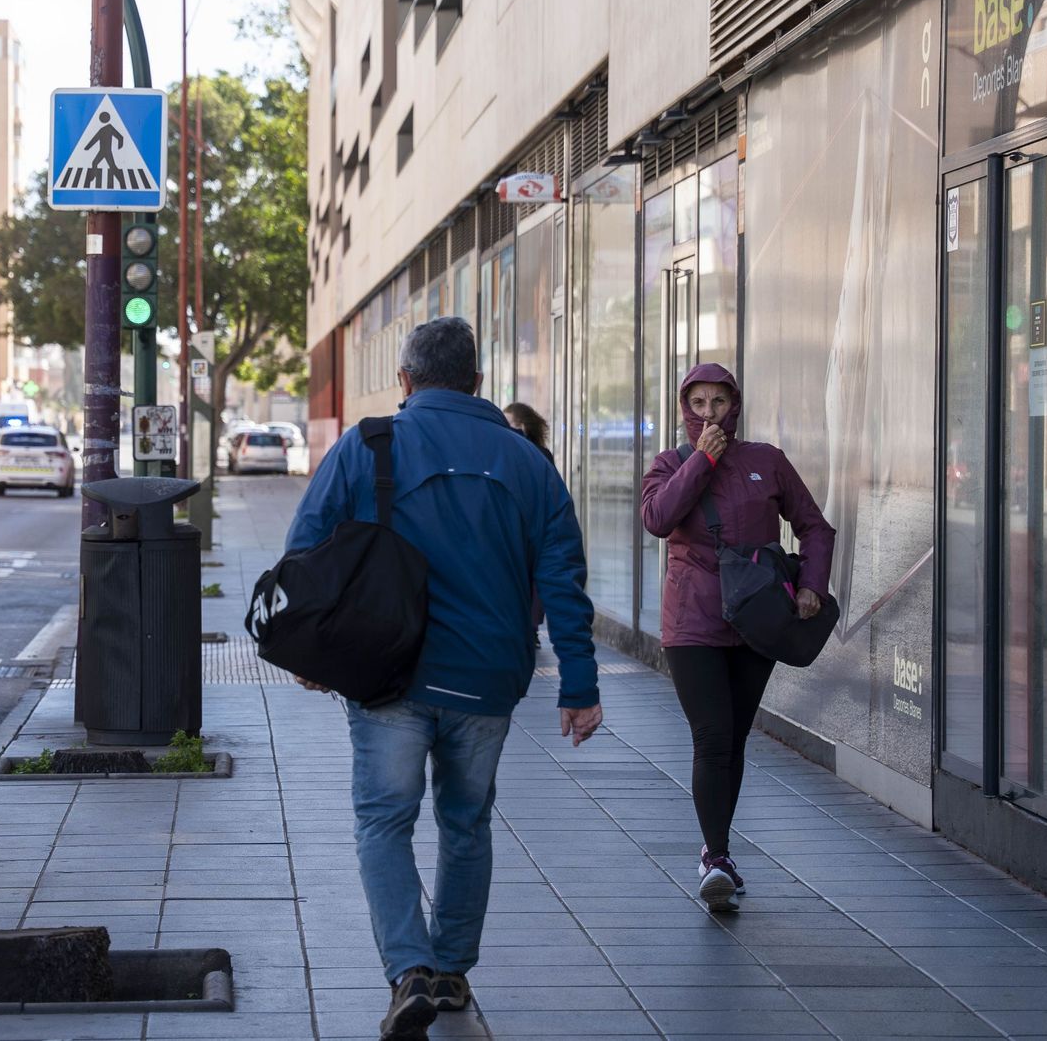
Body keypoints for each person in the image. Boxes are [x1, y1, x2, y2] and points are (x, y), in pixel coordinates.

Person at [288, 317, 603, 1041]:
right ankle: (453, 971)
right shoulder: (527, 461)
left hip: (386, 674)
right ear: (478, 382)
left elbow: (305, 550)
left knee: (383, 821)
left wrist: (311, 653)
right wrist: (579, 686)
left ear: (404, 379)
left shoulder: (368, 445)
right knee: (466, 821)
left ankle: (409, 971)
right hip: (487, 678)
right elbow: (564, 577)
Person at [640, 362, 835, 913]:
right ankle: (717, 857)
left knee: (735, 739)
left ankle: (716, 851)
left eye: (719, 402)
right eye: (698, 403)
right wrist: (702, 460)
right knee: (711, 736)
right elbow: (658, 518)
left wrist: (812, 585)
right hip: (692, 622)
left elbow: (815, 526)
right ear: (685, 408)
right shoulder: (670, 463)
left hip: (757, 617)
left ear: (735, 405)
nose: (709, 413)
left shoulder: (766, 461)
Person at [503, 402, 553, 646]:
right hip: (517, 528)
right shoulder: (508, 451)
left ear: (522, 426)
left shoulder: (538, 454)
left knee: (532, 580)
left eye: (509, 423)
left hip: (532, 528)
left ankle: (530, 628)